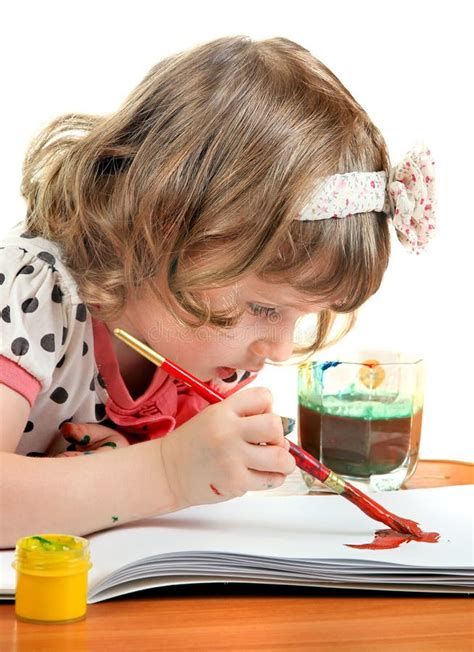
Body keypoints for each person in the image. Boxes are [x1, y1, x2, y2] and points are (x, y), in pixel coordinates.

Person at [0, 36, 436, 548]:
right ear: (161, 224)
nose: (276, 350)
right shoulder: (33, 293)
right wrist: (166, 472)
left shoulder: (193, 355)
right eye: (264, 308)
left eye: (299, 318)